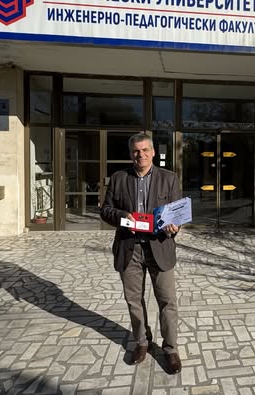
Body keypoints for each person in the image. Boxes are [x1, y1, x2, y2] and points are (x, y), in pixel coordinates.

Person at [100, 133, 182, 374]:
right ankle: (142, 342)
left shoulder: (169, 178)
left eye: (145, 150)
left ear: (153, 152)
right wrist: (122, 216)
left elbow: (177, 213)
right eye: (136, 151)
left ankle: (170, 349)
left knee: (167, 300)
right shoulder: (119, 178)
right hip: (130, 247)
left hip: (160, 246)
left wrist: (175, 226)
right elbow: (105, 210)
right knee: (133, 300)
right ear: (131, 154)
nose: (141, 155)